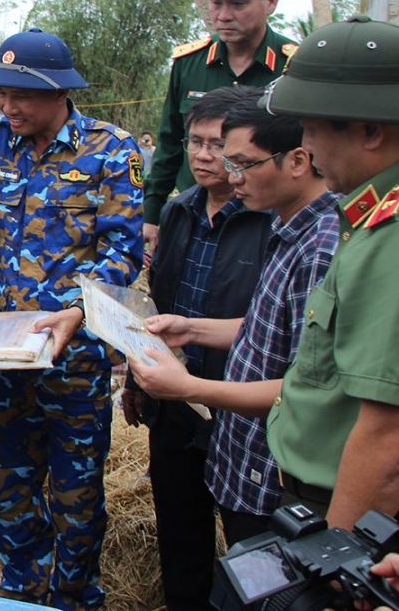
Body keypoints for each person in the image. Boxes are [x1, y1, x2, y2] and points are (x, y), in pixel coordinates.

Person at [0, 28, 144, 610]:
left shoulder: (111, 150)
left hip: (76, 357)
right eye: (0, 94)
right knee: (11, 487)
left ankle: (74, 597)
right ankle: (22, 594)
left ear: (60, 93)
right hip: (9, 354)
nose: (7, 106)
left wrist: (76, 313)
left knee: (77, 493)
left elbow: (123, 253)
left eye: (21, 96)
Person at [131, 94, 338, 546]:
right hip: (243, 456)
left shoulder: (323, 248)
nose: (230, 174)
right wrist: (191, 328)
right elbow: (270, 330)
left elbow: (308, 390)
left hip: (277, 470)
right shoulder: (289, 228)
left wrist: (190, 389)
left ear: (298, 161)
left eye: (242, 163)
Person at [128, 86, 273, 611]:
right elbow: (160, 305)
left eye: (219, 145)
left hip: (244, 407)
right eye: (195, 142)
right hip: (176, 401)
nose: (205, 156)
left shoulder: (272, 220)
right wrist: (137, 380)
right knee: (180, 530)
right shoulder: (179, 211)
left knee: (252, 547)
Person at [258, 15, 399, 529]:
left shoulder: (390, 238)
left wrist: (338, 562)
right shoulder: (367, 215)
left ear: (368, 130)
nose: (307, 146)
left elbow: (387, 436)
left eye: (313, 127)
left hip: (348, 505)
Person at [144, 0, 298, 251]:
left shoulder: (294, 67)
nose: (224, 16)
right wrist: (152, 213)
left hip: (265, 221)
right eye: (216, 3)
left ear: (270, 1)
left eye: (238, 3)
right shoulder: (189, 63)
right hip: (198, 217)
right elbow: (170, 142)